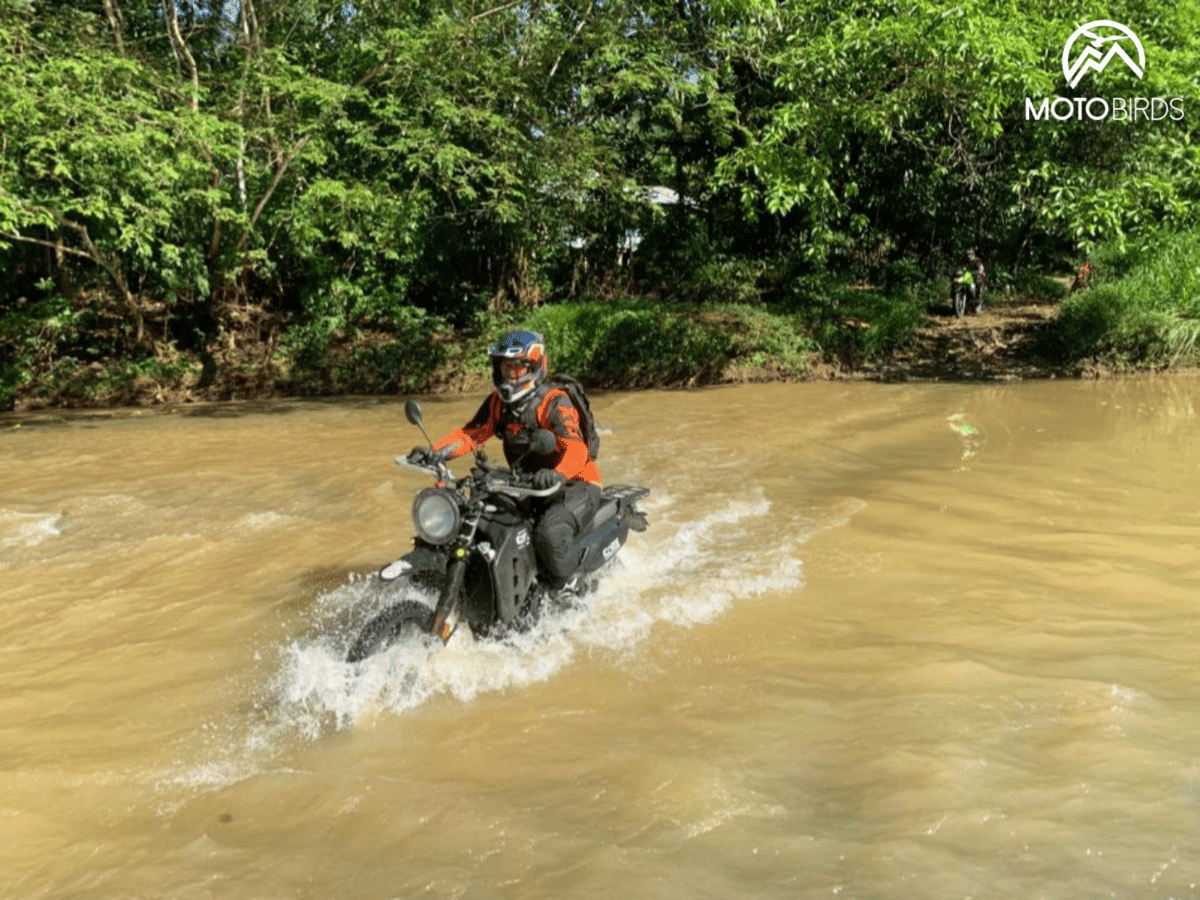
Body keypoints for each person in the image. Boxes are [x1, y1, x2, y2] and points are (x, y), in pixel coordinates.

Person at [413, 330, 602, 597]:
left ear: (534, 368)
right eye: (505, 367)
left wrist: (557, 474)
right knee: (485, 520)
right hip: (527, 485)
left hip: (575, 484)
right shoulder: (498, 404)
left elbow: (576, 449)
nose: (509, 374)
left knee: (549, 533)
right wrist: (435, 453)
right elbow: (472, 434)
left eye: (516, 368)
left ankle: (567, 585)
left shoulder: (554, 402)